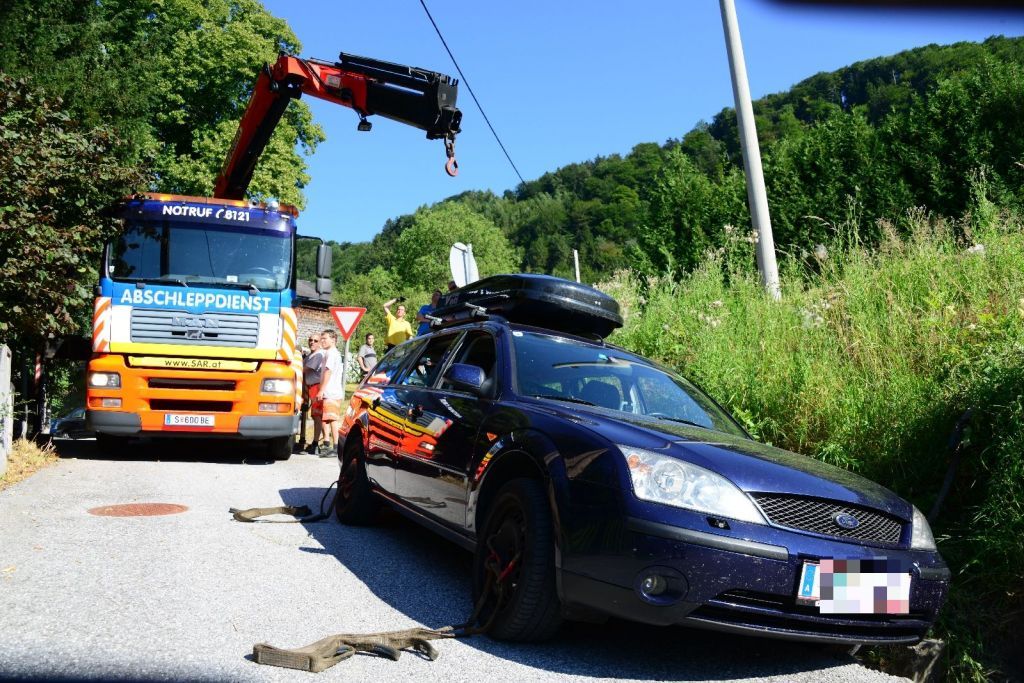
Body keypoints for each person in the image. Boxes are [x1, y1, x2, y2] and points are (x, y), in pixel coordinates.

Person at [318, 329, 344, 457]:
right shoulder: (331, 353)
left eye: (325, 338)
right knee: (327, 419)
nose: (322, 341)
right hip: (331, 391)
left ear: (333, 340)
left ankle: (336, 447)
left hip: (331, 391)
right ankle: (328, 445)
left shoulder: (332, 354)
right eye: (321, 338)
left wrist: (321, 390)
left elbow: (328, 372)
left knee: (332, 419)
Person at [302, 335, 325, 454]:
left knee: (317, 416)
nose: (312, 342)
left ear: (320, 343)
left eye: (315, 341)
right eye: (310, 340)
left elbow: (304, 369)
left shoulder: (318, 355)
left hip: (316, 387)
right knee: (316, 416)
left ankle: (316, 443)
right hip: (311, 387)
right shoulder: (311, 355)